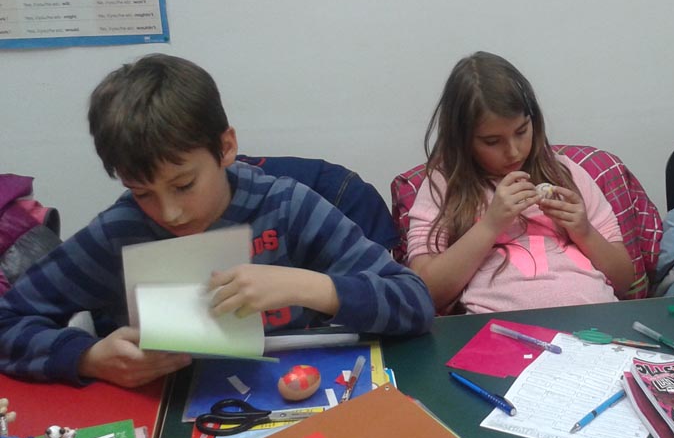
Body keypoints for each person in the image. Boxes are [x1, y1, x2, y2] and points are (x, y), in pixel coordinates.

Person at [0, 54, 433, 387]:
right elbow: (8, 320)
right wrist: (88, 357)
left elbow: (413, 302)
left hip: (293, 394)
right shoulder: (119, 232)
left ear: (225, 147)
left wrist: (309, 286)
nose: (169, 212)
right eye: (142, 192)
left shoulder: (287, 206)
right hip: (165, 411)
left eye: (184, 184)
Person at [405, 51, 634, 314]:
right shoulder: (443, 184)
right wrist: (490, 225)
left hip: (593, 323)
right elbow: (425, 293)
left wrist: (584, 232)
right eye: (492, 141)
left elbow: (624, 281)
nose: (513, 151)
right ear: (462, 140)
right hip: (495, 330)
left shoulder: (567, 174)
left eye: (522, 131)